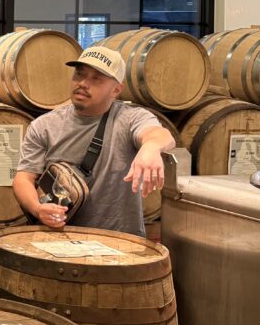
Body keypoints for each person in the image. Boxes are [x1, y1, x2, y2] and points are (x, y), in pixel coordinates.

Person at [12, 46, 176, 237]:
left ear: (116, 89)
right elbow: (23, 178)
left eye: (96, 78)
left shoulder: (130, 118)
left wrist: (151, 147)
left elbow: (160, 134)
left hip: (120, 242)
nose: (82, 83)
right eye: (79, 74)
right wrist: (37, 209)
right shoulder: (44, 126)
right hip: (63, 239)